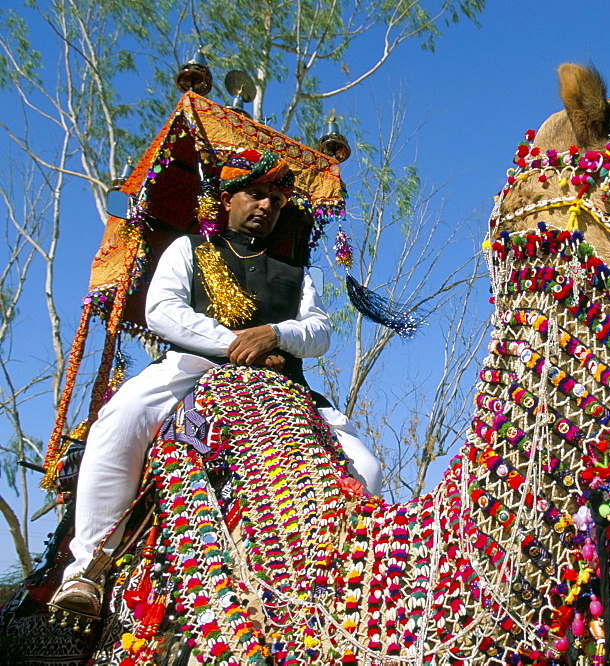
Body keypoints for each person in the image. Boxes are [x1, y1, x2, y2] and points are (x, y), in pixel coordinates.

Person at [49, 148, 381, 621]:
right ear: (226, 200)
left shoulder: (299, 275)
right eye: (254, 193)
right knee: (117, 421)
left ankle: (343, 584)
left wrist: (277, 334)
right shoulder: (188, 250)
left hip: (282, 384)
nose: (265, 205)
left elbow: (320, 333)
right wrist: (235, 345)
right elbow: (161, 311)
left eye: (275, 198)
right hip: (192, 371)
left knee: (366, 469)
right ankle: (87, 569)